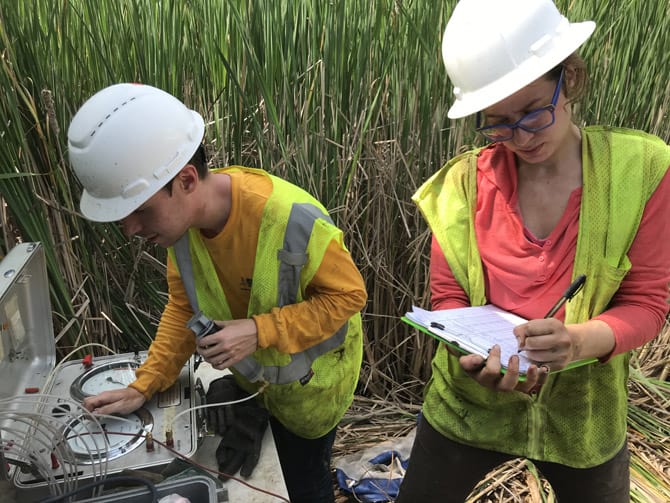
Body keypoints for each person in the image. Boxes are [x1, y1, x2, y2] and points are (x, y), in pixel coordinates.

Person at [396, 1, 670, 502]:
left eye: (533, 112)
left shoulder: (642, 170)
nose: (520, 137)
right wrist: (471, 352)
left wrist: (578, 342)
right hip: (466, 406)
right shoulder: (461, 186)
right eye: (498, 121)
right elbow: (447, 295)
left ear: (570, 79)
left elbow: (648, 303)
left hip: (583, 416)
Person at [66, 82, 367, 503]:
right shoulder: (180, 230)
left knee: (305, 483)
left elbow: (349, 297)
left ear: (186, 179)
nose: (131, 229)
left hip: (313, 393)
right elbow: (182, 307)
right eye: (122, 217)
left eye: (139, 211)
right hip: (260, 382)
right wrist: (144, 385)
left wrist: (258, 331)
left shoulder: (291, 219)